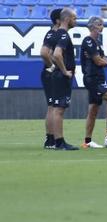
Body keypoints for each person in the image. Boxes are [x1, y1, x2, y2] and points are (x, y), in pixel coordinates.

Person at [80, 16, 107, 149]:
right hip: (93, 78)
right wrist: (105, 61)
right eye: (100, 24)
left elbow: (103, 59)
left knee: (93, 109)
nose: (102, 27)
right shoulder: (89, 41)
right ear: (93, 26)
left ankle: (87, 141)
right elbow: (99, 61)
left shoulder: (96, 43)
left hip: (97, 77)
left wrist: (104, 60)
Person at [49, 8, 79, 150]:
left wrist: (54, 68)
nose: (76, 21)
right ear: (67, 19)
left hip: (56, 76)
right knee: (59, 110)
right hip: (61, 77)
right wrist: (64, 71)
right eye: (74, 18)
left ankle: (57, 141)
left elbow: (48, 53)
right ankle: (60, 142)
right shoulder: (64, 35)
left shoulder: (55, 34)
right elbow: (56, 54)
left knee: (56, 109)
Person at [40, 8, 62, 149]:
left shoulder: (56, 34)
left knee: (52, 106)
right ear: (58, 20)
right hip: (51, 74)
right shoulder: (52, 34)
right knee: (53, 107)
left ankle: (50, 139)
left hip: (51, 73)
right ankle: (51, 139)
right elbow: (44, 53)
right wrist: (52, 67)